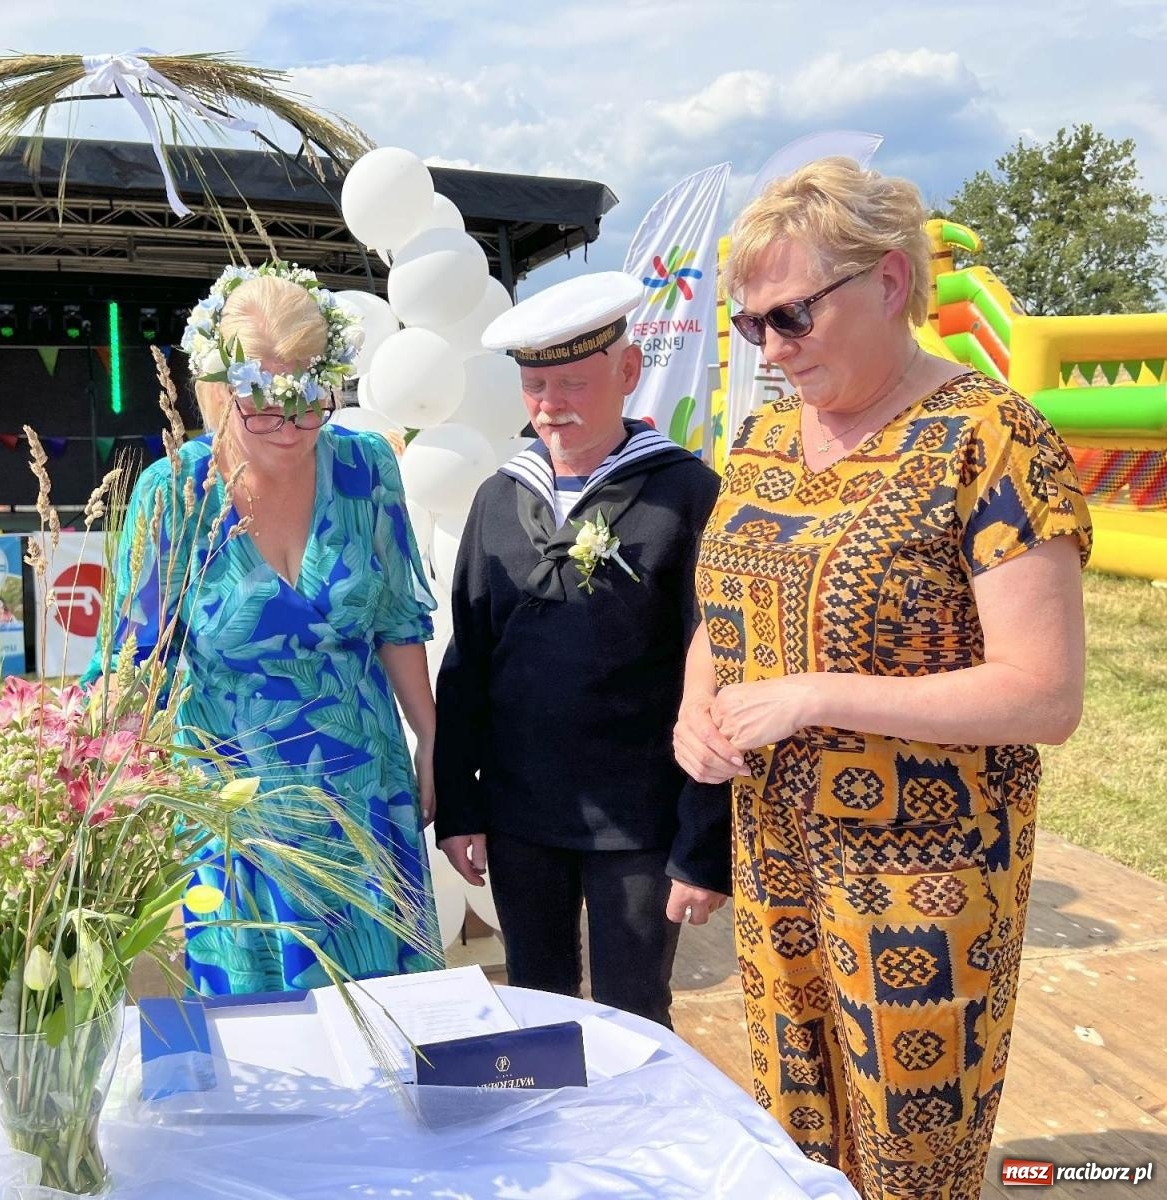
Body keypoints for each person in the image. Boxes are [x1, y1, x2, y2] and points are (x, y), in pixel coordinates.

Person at [673, 159, 1090, 1199]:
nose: (772, 349)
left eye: (792, 316)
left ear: (890, 282)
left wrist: (818, 695)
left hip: (922, 887)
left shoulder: (990, 438)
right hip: (777, 864)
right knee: (794, 1146)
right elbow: (725, 605)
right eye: (751, 325)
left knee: (912, 1163)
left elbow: (1044, 694)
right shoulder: (766, 437)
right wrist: (694, 708)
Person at [84, 262, 442, 994]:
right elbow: (133, 659)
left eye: (311, 402)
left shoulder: (366, 467)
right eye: (265, 406)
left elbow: (395, 623)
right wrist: (87, 772)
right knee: (261, 1030)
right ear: (220, 391)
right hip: (237, 806)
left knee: (385, 1018)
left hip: (364, 788)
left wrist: (432, 738)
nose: (291, 427)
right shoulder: (175, 493)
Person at [433, 271, 731, 1028]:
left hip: (640, 820)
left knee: (637, 1011)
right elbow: (467, 663)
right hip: (521, 814)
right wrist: (461, 807)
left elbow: (720, 677)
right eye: (535, 385)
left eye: (573, 383)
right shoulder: (499, 498)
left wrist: (703, 845)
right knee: (536, 1004)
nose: (550, 405)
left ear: (628, 371)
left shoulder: (687, 495)